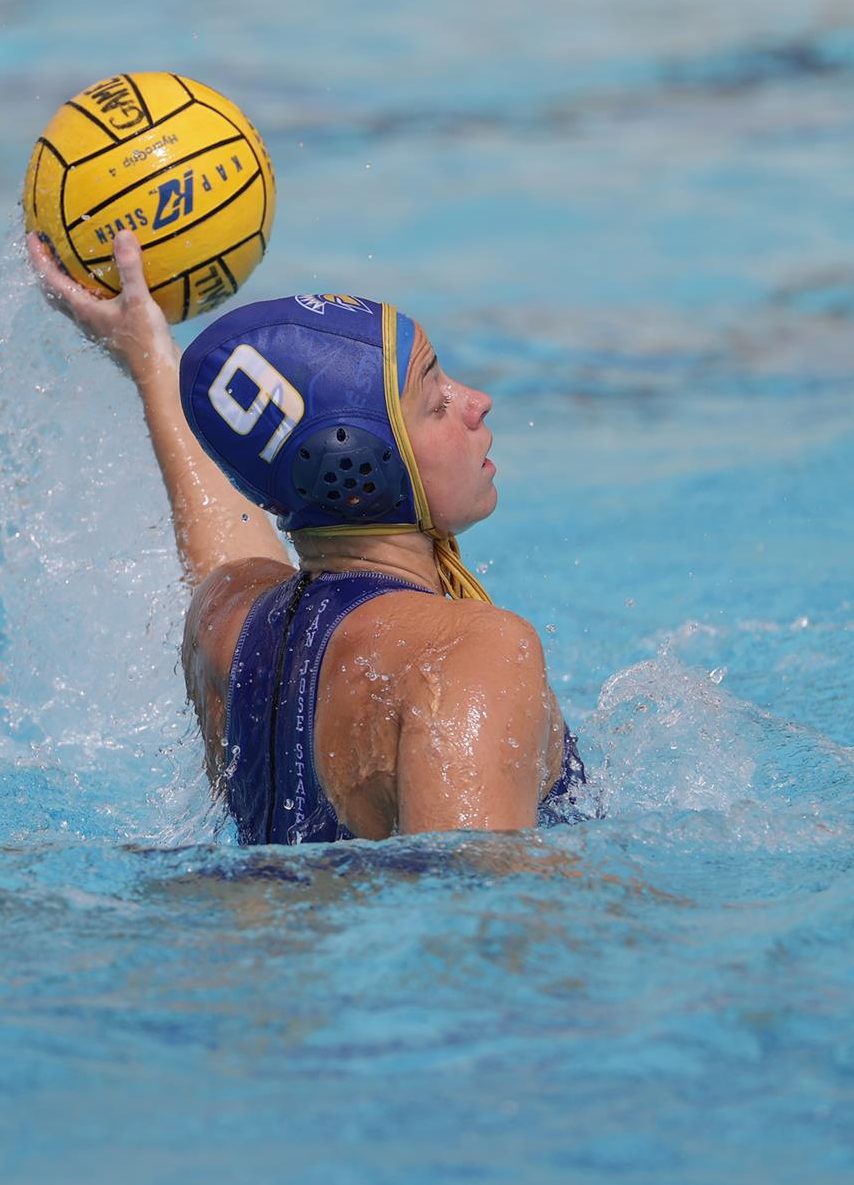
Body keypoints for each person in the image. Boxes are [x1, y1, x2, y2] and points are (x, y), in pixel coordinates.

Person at [30, 229, 585, 844]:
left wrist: (148, 358)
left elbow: (229, 544)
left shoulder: (224, 622)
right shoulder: (470, 655)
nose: (475, 402)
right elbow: (473, 913)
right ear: (358, 472)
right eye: (434, 402)